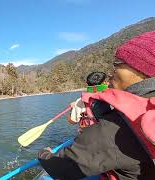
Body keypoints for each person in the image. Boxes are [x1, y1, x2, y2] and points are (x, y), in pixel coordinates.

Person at [38, 31, 155, 180]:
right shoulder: (112, 100)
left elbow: (61, 167)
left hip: (92, 147)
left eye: (117, 64)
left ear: (142, 70)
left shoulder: (113, 129)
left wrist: (44, 153)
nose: (111, 72)